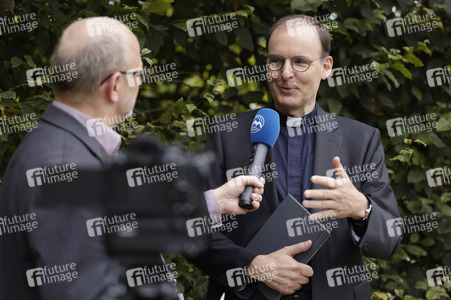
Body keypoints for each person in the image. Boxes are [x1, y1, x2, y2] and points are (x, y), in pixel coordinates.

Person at [0, 17, 264, 300]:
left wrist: (213, 202)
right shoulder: (67, 167)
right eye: (137, 75)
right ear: (115, 85)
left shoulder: (61, 146)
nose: (139, 84)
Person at [192, 15, 402, 299]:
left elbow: (389, 241)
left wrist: (361, 209)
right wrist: (252, 265)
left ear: (326, 67)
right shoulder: (227, 135)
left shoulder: (361, 139)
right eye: (275, 61)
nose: (285, 73)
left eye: (300, 61)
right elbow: (193, 229)